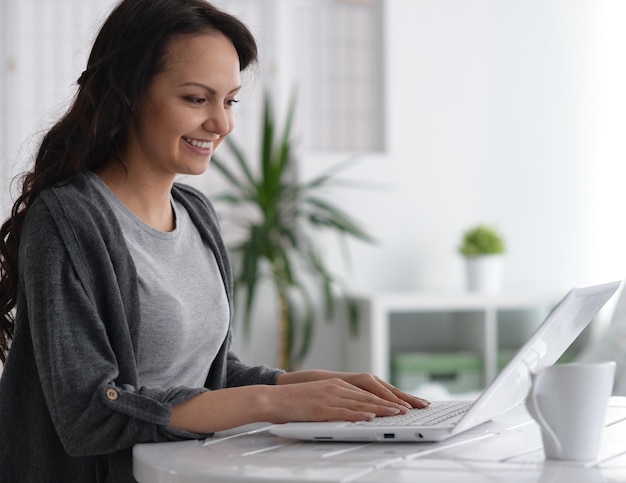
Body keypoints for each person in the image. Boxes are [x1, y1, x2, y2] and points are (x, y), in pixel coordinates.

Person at [0, 0, 429, 481]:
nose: (222, 124)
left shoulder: (195, 212)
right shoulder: (67, 221)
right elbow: (89, 414)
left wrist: (312, 385)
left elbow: (210, 379)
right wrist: (273, 401)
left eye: (229, 101)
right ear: (128, 94)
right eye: (196, 99)